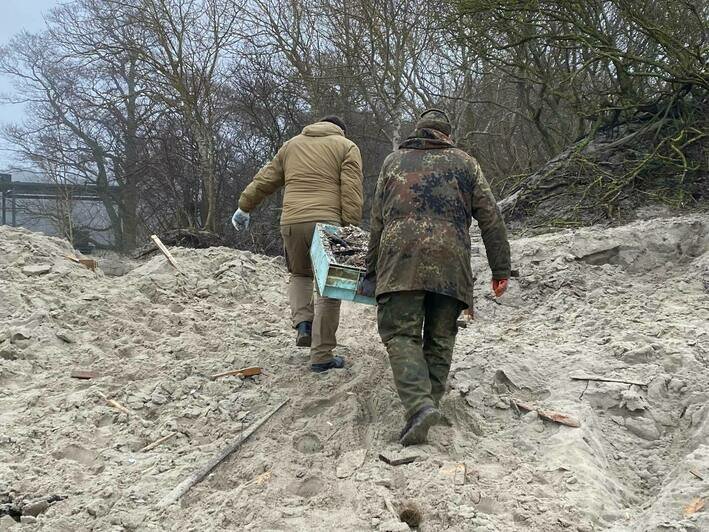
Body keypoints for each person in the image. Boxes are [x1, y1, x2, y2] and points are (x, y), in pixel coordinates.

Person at [361, 108, 511, 445]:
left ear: (418, 131)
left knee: (401, 334)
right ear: (447, 135)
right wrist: (500, 269)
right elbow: (491, 219)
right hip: (450, 262)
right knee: (441, 337)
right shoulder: (465, 163)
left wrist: (370, 270)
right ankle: (430, 404)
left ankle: (419, 407)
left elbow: (377, 221)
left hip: (401, 260)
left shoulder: (392, 163)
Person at [233, 116, 364, 372]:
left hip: (292, 222)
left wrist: (244, 207)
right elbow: (351, 191)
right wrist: (349, 227)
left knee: (299, 273)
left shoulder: (291, 145)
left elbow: (265, 179)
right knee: (328, 288)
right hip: (328, 223)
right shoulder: (346, 146)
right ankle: (322, 356)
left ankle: (303, 323)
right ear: (341, 130)